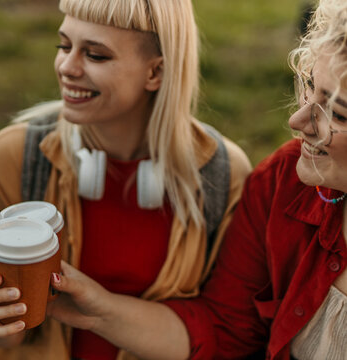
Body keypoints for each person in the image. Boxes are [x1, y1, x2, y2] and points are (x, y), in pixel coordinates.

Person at [32, 0, 347, 358]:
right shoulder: (280, 183)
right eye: (309, 86)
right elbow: (226, 330)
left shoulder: (221, 173)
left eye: (336, 112)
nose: (297, 121)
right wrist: (99, 310)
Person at [0, 0, 252, 358]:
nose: (66, 67)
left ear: (156, 73)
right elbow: (1, 335)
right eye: (63, 46)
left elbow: (223, 328)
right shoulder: (13, 156)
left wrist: (101, 309)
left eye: (96, 55)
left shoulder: (222, 174)